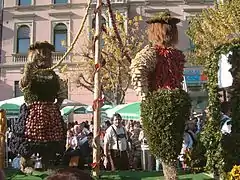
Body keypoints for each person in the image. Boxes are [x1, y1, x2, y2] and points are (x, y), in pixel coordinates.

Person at [9, 41, 67, 171]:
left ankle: (47, 163)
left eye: (48, 55)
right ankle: (26, 163)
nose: (47, 58)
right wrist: (28, 68)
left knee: (51, 140)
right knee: (30, 138)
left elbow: (61, 92)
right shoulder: (30, 73)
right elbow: (24, 85)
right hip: (33, 111)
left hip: (50, 112)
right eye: (43, 54)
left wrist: (57, 105)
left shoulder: (54, 76)